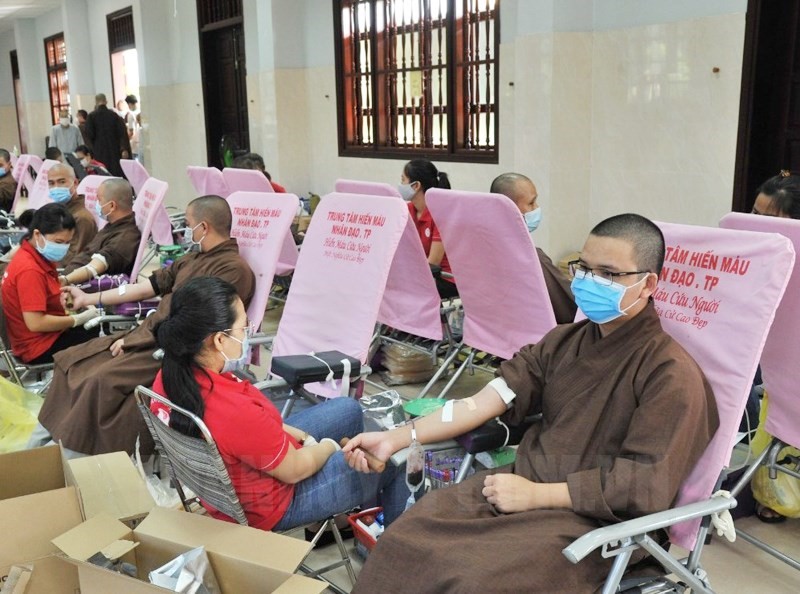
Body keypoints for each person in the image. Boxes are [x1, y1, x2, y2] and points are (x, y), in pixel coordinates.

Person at [343, 213, 720, 592]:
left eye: (608, 274)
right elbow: (484, 402)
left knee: (472, 580)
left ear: (648, 283)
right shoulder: (562, 343)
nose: (589, 282)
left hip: (596, 523)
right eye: (584, 269)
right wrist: (395, 438)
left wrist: (536, 496)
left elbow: (644, 484)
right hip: (514, 488)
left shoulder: (671, 374)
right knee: (406, 537)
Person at [150, 276, 409, 530]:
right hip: (273, 505)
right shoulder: (232, 411)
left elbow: (254, 430)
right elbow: (295, 469)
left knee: (348, 410)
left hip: (235, 482)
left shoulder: (172, 375)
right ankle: (392, 555)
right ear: (219, 339)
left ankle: (337, 523)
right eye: (243, 327)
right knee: (400, 456)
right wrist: (327, 448)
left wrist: (305, 438)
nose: (247, 333)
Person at [31, 195, 256, 458]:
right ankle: (42, 447)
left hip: (175, 349)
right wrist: (91, 298)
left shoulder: (233, 269)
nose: (183, 230)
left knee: (99, 380)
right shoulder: (191, 259)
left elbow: (194, 321)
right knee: (74, 361)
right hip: (148, 334)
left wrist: (137, 339)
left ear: (203, 227)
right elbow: (147, 286)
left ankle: (69, 454)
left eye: (188, 223)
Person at [747, 169, 800, 523]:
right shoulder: (751, 254)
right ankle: (774, 494)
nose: (755, 225)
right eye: (754, 213)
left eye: (769, 219)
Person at [0, 204, 100, 364]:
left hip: (34, 339)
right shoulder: (29, 270)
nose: (63, 248)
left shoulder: (34, 256)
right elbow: (36, 323)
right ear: (38, 234)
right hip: (37, 347)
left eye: (67, 242)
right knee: (100, 336)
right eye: (58, 241)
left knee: (94, 328)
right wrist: (77, 319)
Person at [491, 172, 577, 324]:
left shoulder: (483, 249)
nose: (536, 208)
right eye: (531, 203)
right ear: (509, 209)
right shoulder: (531, 258)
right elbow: (568, 309)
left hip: (493, 329)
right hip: (535, 337)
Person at [60, 178, 141, 284]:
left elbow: (93, 268)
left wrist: (64, 280)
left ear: (112, 206)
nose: (96, 204)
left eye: (99, 200)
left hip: (77, 289)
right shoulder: (114, 225)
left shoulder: (124, 238)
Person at [399, 159, 456, 298]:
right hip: (419, 275)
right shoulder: (407, 210)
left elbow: (433, 263)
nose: (400, 185)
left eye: (403, 180)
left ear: (416, 185)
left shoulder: (440, 214)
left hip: (444, 279)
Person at [47, 163, 97, 265]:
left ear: (75, 183)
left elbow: (74, 259)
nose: (56, 187)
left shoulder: (82, 218)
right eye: (51, 183)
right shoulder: (58, 211)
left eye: (61, 182)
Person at [85, 93, 130, 177]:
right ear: (106, 102)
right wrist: (123, 149)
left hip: (99, 152)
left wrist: (91, 153)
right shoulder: (114, 116)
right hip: (115, 152)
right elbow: (122, 134)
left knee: (102, 174)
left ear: (96, 102)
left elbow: (89, 135)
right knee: (115, 174)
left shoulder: (91, 117)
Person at [124, 95, 141, 161]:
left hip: (134, 143)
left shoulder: (130, 115)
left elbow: (131, 132)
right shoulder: (141, 111)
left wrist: (126, 140)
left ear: (129, 104)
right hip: (141, 141)